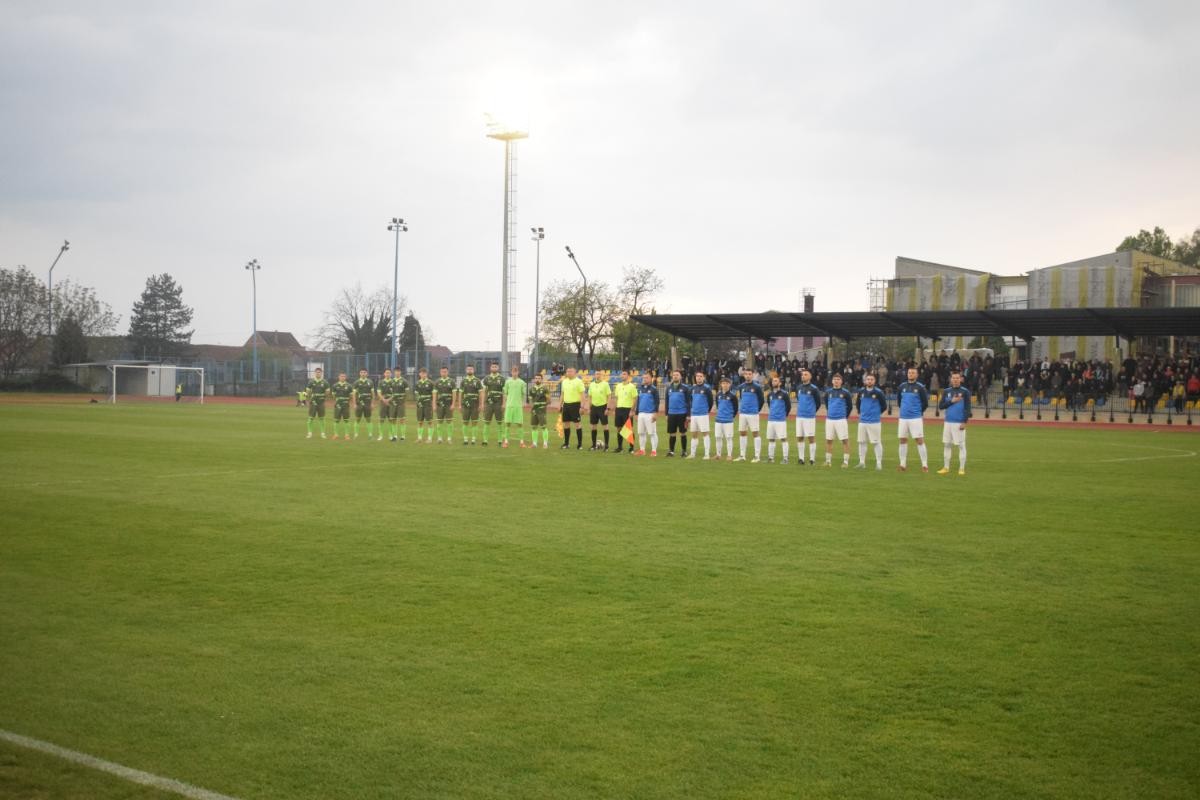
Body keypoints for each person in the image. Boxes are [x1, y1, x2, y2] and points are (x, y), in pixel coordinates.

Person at [897, 366, 930, 472]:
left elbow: (925, 403)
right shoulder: (902, 386)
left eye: (913, 373)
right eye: (909, 373)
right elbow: (899, 402)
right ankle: (902, 464)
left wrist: (918, 412)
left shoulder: (920, 387)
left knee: (919, 440)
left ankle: (924, 465)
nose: (910, 374)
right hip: (903, 418)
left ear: (917, 375)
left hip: (915, 418)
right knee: (902, 440)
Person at [938, 370, 970, 475]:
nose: (955, 380)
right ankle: (946, 467)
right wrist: (951, 401)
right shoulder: (946, 391)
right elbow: (941, 406)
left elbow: (967, 408)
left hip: (959, 423)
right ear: (951, 379)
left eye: (957, 378)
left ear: (960, 379)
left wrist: (964, 421)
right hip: (948, 422)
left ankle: (961, 468)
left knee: (961, 446)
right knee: (947, 445)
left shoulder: (965, 392)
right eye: (953, 378)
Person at [855, 373, 888, 470]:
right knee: (861, 442)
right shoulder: (861, 391)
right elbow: (858, 404)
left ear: (874, 381)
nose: (869, 381)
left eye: (871, 379)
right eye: (868, 379)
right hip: (862, 421)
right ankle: (862, 462)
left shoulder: (878, 392)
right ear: (865, 381)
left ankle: (879, 463)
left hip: (874, 422)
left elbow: (884, 406)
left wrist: (876, 413)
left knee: (876, 442)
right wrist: (861, 412)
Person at [823, 373, 853, 468]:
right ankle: (828, 461)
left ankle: (846, 462)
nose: (836, 381)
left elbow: (850, 407)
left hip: (841, 420)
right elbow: (827, 405)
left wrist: (844, 416)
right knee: (829, 440)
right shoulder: (828, 392)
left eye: (838, 379)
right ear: (832, 381)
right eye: (835, 379)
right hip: (830, 420)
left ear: (841, 381)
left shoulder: (846, 393)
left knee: (845, 440)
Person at [735, 368, 765, 462]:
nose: (748, 375)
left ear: (752, 375)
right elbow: (741, 398)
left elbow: (761, 400)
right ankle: (742, 455)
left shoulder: (757, 387)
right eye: (746, 374)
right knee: (742, 433)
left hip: (753, 414)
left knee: (755, 433)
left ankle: (757, 456)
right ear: (744, 375)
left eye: (749, 374)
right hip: (743, 413)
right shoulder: (741, 386)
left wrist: (756, 410)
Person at [794, 369, 822, 465]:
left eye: (805, 374)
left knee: (811, 437)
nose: (803, 376)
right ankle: (801, 458)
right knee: (800, 437)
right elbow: (798, 399)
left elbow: (818, 403)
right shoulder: (798, 387)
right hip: (799, 416)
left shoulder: (814, 389)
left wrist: (812, 411)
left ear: (810, 377)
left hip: (809, 417)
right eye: (802, 374)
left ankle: (812, 459)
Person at [664, 369, 692, 457]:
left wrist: (688, 415)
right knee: (672, 433)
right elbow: (666, 402)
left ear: (680, 377)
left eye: (677, 375)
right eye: (674, 375)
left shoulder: (685, 388)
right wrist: (666, 414)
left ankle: (684, 451)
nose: (675, 376)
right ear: (672, 377)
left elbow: (688, 402)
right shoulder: (668, 388)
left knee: (683, 433)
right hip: (671, 414)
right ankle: (671, 451)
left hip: (682, 413)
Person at [764, 376, 791, 464]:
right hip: (771, 419)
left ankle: (785, 459)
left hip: (780, 420)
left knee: (783, 439)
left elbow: (788, 406)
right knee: (771, 439)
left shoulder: (784, 394)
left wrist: (784, 415)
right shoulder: (770, 395)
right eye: (773, 381)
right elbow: (769, 405)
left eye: (776, 381)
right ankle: (770, 458)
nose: (774, 382)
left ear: (780, 383)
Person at [688, 370, 714, 460]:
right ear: (695, 378)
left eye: (700, 376)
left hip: (703, 414)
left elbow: (711, 401)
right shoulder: (692, 389)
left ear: (703, 378)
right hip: (694, 415)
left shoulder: (707, 388)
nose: (698, 378)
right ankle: (692, 454)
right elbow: (690, 400)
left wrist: (706, 410)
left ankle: (707, 454)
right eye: (697, 376)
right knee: (694, 434)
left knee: (705, 434)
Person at [558, 366, 586, 450]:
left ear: (575, 373)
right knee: (566, 424)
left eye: (570, 371)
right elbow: (562, 394)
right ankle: (566, 444)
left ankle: (579, 444)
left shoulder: (579, 381)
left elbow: (582, 395)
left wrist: (582, 406)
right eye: (567, 371)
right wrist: (560, 405)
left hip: (575, 405)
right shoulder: (564, 382)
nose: (568, 373)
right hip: (566, 405)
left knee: (577, 424)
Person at [634, 372, 660, 456]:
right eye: (644, 377)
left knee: (652, 433)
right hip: (641, 414)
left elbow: (657, 402)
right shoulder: (640, 388)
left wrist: (655, 413)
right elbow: (638, 402)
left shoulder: (654, 389)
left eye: (647, 377)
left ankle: (654, 451)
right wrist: (636, 413)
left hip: (650, 414)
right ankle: (642, 450)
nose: (645, 379)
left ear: (651, 378)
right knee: (641, 433)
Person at [612, 370, 639, 454]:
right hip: (619, 409)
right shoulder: (618, 386)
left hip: (627, 409)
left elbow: (635, 399)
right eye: (622, 374)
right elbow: (616, 398)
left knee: (628, 429)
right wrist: (615, 409)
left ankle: (631, 447)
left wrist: (632, 410)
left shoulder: (632, 386)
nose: (622, 375)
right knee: (619, 428)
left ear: (628, 376)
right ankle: (620, 447)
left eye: (624, 374)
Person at [713, 376, 738, 460]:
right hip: (718, 420)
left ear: (730, 385)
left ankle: (729, 455)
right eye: (723, 383)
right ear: (721, 384)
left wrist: (731, 416)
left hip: (728, 420)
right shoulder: (718, 395)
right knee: (718, 437)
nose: (725, 385)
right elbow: (718, 406)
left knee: (729, 438)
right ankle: (718, 455)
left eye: (727, 383)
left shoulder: (733, 396)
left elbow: (735, 409)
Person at [481, 362, 506, 446]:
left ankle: (500, 440)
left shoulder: (502, 379)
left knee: (499, 422)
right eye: (493, 367)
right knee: (486, 422)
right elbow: (484, 392)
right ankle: (485, 440)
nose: (494, 368)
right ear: (490, 368)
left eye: (495, 367)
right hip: (489, 403)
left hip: (499, 403)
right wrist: (483, 403)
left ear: (498, 368)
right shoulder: (486, 378)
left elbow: (504, 393)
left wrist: (504, 404)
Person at [586, 372, 612, 450]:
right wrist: (589, 408)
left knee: (605, 426)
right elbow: (589, 397)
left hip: (603, 407)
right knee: (593, 426)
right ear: (594, 375)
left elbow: (609, 396)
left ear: (602, 375)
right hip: (594, 407)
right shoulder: (591, 384)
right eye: (596, 374)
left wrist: (607, 408)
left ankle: (606, 446)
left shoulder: (605, 384)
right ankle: (594, 445)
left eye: (599, 374)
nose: (598, 375)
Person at [502, 365, 527, 448]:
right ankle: (506, 442)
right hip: (509, 406)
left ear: (518, 372)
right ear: (511, 372)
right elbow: (505, 393)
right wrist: (504, 403)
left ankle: (521, 442)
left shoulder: (522, 382)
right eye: (513, 371)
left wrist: (522, 403)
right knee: (507, 424)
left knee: (520, 424)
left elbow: (523, 394)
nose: (515, 373)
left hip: (518, 407)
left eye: (516, 371)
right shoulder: (507, 382)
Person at [457, 364, 483, 444]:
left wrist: (481, 404)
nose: (469, 370)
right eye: (468, 369)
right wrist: (459, 405)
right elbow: (460, 394)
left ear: (473, 370)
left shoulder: (477, 381)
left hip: (475, 404)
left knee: (474, 422)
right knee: (465, 422)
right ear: (466, 370)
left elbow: (481, 393)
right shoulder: (463, 381)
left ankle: (473, 439)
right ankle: (465, 439)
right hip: (465, 404)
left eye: (471, 369)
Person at [304, 367, 330, 439]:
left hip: (321, 402)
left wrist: (324, 397)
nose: (318, 373)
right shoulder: (311, 382)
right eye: (317, 372)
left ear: (321, 373)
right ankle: (309, 433)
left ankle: (323, 433)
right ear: (314, 373)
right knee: (311, 418)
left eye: (319, 372)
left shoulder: (325, 382)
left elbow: (328, 392)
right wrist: (308, 398)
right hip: (313, 402)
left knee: (322, 418)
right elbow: (307, 391)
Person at [528, 372, 551, 448]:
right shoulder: (531, 389)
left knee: (543, 427)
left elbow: (549, 400)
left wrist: (543, 405)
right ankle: (534, 443)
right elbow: (530, 400)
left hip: (541, 410)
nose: (537, 379)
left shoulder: (545, 388)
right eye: (536, 378)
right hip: (534, 411)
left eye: (539, 378)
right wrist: (532, 406)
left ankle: (545, 443)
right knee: (534, 427)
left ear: (541, 379)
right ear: (534, 379)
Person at [352, 368, 376, 440]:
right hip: (359, 403)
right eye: (362, 372)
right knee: (357, 419)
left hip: (367, 403)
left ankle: (370, 435)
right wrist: (354, 404)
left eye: (364, 372)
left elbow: (373, 394)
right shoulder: (356, 382)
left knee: (368, 419)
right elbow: (354, 394)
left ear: (367, 373)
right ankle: (356, 435)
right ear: (360, 373)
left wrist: (372, 403)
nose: (363, 374)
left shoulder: (370, 382)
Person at [433, 367, 455, 444]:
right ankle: (439, 438)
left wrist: (453, 404)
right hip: (440, 404)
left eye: (445, 372)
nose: (444, 373)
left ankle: (449, 438)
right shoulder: (437, 382)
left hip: (449, 404)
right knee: (439, 421)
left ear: (447, 372)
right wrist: (434, 404)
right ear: (440, 372)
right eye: (442, 372)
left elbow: (454, 393)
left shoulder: (452, 381)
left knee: (449, 421)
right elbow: (435, 394)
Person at [413, 367, 435, 443]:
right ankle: (419, 438)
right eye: (422, 373)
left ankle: (430, 438)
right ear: (419, 374)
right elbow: (416, 394)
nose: (423, 375)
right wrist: (418, 401)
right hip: (420, 404)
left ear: (426, 374)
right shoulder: (417, 383)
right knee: (420, 421)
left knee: (430, 421)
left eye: (424, 373)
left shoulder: (431, 383)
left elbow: (434, 394)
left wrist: (433, 403)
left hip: (428, 404)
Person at [330, 371, 353, 440]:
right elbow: (333, 395)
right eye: (341, 376)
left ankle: (347, 435)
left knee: (346, 420)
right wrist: (338, 400)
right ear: (339, 377)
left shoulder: (349, 386)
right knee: (336, 420)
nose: (342, 377)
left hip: (346, 405)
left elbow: (351, 396)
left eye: (344, 376)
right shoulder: (335, 385)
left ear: (345, 377)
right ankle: (336, 435)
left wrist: (346, 400)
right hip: (338, 405)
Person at [376, 368, 398, 442]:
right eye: (386, 373)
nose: (387, 374)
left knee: (391, 419)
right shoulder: (381, 382)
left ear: (391, 374)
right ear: (384, 374)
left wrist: (389, 399)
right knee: (381, 419)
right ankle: (380, 436)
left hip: (391, 403)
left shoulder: (393, 382)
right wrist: (383, 400)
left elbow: (395, 393)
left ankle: (391, 435)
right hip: (383, 403)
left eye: (389, 373)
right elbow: (379, 392)